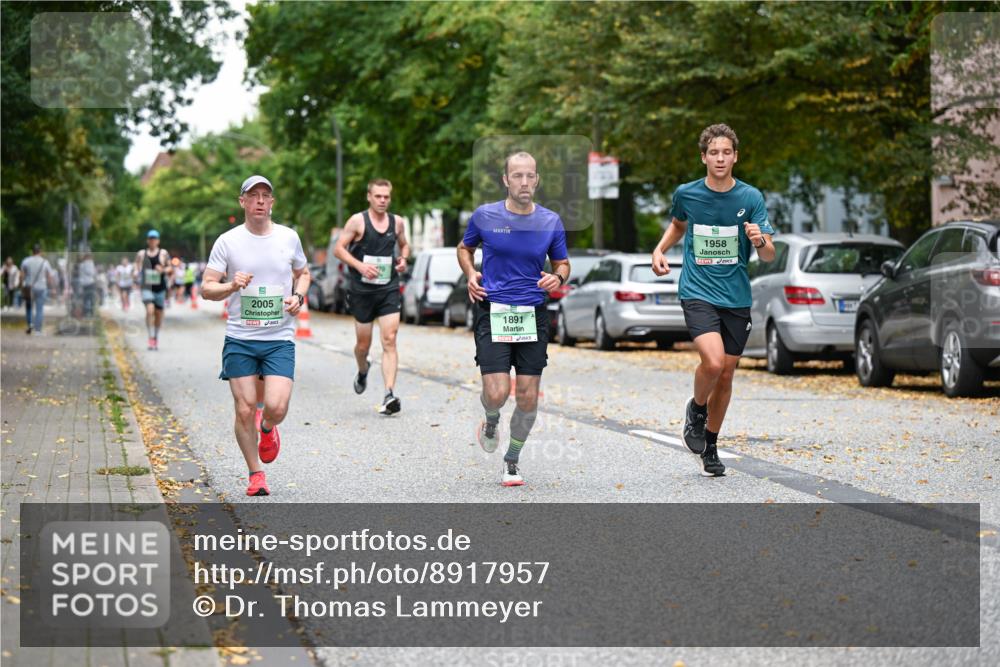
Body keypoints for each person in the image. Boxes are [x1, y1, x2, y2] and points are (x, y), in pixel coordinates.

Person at [650, 123, 775, 477]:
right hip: (698, 291)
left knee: (726, 374)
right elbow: (678, 224)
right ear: (703, 157)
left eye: (726, 152)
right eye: (713, 153)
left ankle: (711, 445)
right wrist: (660, 249)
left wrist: (759, 239)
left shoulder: (750, 198)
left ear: (736, 156)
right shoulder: (687, 194)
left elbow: (768, 255)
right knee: (714, 361)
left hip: (735, 296)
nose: (720, 158)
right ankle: (697, 408)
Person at [457, 151, 570, 487]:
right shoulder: (485, 216)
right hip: (493, 311)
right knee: (496, 392)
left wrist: (558, 278)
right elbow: (465, 248)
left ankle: (512, 459)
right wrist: (470, 273)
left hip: (532, 313)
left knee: (527, 397)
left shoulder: (550, 221)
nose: (524, 182)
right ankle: (491, 419)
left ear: (536, 180)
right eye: (517, 176)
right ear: (506, 180)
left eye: (530, 176)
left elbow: (562, 263)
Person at [200, 175, 310, 497]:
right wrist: (232, 285)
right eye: (254, 195)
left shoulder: (289, 238)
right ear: (243, 202)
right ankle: (255, 474)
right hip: (240, 337)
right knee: (244, 407)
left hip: (279, 337)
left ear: (272, 203)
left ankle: (267, 428)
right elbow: (207, 288)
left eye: (266, 195)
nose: (260, 200)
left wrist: (299, 297)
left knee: (276, 407)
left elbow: (303, 273)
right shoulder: (227, 241)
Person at [333, 178, 411, 415]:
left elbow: (404, 246)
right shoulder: (357, 221)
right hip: (362, 291)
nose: (382, 200)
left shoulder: (397, 222)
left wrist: (403, 260)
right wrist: (360, 266)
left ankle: (389, 394)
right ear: (369, 196)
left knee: (390, 338)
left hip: (387, 288)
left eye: (386, 197)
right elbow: (338, 249)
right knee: (362, 345)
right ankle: (363, 369)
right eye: (378, 196)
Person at [135, 230, 172, 350]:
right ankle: (150, 337)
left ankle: (155, 336)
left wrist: (163, 270)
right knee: (150, 310)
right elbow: (136, 268)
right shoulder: (141, 254)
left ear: (158, 241)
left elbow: (170, 268)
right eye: (150, 238)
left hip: (160, 288)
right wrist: (136, 273)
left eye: (155, 238)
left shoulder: (163, 253)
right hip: (146, 287)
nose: (152, 241)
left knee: (158, 314)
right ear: (147, 240)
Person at [20, 244, 57, 335]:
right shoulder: (45, 262)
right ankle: (38, 330)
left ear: (32, 251)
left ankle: (30, 325)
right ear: (40, 251)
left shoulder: (26, 261)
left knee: (29, 307)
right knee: (39, 309)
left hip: (29, 287)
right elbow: (50, 276)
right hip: (41, 287)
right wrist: (52, 288)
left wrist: (21, 286)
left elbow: (22, 275)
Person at [77, 252, 97, 317]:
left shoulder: (81, 265)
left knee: (85, 299)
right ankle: (90, 313)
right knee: (91, 299)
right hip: (90, 283)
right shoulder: (90, 263)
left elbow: (80, 274)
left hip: (83, 283)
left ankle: (85, 313)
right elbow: (92, 273)